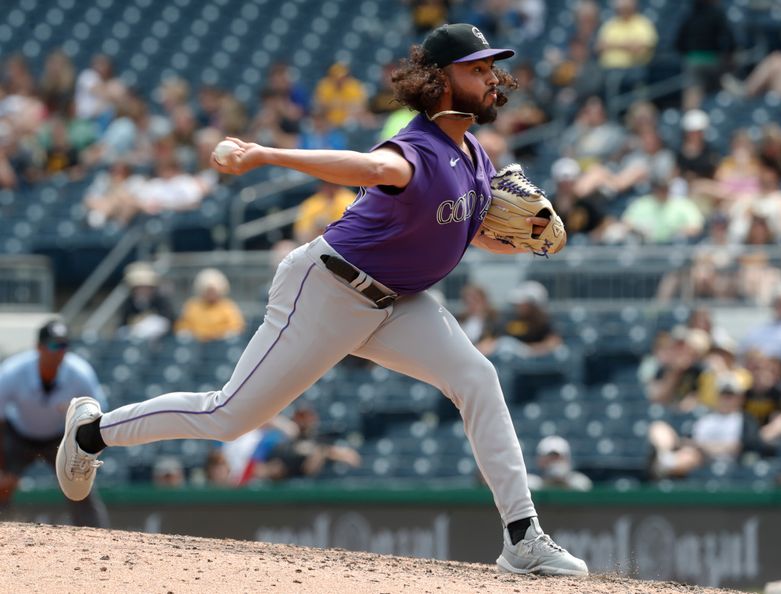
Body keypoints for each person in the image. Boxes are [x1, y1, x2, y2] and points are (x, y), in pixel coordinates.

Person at [55, 23, 588, 576]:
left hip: (398, 303)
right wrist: (264, 154)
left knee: (477, 378)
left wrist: (520, 243)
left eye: (489, 67)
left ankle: (522, 536)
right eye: (475, 68)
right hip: (328, 289)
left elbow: (465, 230)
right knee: (228, 416)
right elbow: (370, 168)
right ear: (439, 81)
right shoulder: (417, 149)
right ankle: (93, 431)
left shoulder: (473, 153)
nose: (489, 77)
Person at [0, 321, 108, 527]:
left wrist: (84, 453)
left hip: (60, 436)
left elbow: (99, 416)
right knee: (3, 485)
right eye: (53, 345)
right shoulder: (13, 371)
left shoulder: (80, 373)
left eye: (64, 346)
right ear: (38, 347)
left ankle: (95, 537)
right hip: (18, 435)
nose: (59, 352)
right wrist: (2, 467)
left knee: (79, 487)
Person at [174, 268, 245, 342]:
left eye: (213, 291)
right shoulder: (192, 306)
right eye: (208, 291)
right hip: (197, 345)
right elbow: (183, 326)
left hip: (220, 344)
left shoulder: (228, 306)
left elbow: (236, 326)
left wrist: (220, 335)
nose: (211, 294)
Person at [292, 181, 357, 244]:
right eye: (326, 184)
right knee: (285, 247)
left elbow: (351, 231)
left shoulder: (350, 199)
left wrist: (327, 225)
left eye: (332, 184)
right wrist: (315, 229)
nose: (329, 188)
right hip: (314, 243)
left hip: (344, 243)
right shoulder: (312, 203)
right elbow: (300, 235)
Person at [527, 436, 592, 492]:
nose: (554, 462)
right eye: (550, 458)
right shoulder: (529, 484)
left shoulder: (580, 483)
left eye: (558, 458)